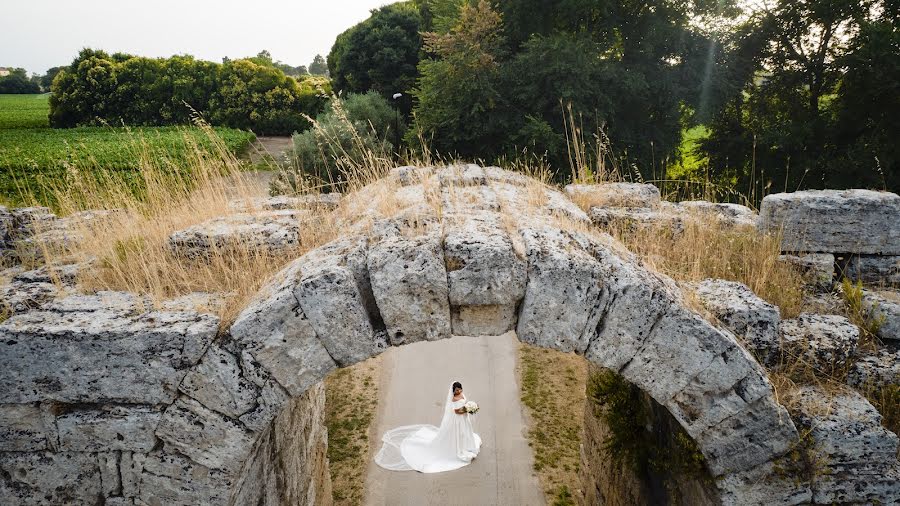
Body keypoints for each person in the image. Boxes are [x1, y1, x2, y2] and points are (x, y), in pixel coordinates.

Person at [374, 381, 482, 473]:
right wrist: (466, 409)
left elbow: (465, 403)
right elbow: (457, 411)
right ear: (453, 391)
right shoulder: (454, 399)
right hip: (458, 420)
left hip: (464, 419)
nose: (459, 392)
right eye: (457, 390)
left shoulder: (462, 395)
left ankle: (467, 445)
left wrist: (469, 407)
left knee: (465, 433)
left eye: (460, 390)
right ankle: (459, 449)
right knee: (459, 434)